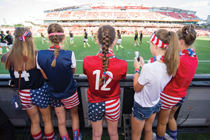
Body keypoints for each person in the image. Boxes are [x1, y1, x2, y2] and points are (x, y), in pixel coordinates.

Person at [1, 27, 55, 140]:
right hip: (39, 90)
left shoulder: (7, 57)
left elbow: (4, 58)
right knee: (47, 120)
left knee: (34, 122)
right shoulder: (38, 55)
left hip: (23, 93)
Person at [131, 29, 180, 140]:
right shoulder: (171, 64)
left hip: (142, 106)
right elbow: (155, 76)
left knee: (136, 135)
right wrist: (144, 66)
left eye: (151, 44)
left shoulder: (150, 67)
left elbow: (137, 88)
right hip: (155, 104)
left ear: (156, 46)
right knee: (148, 130)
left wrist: (137, 69)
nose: (150, 46)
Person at [36, 23, 81, 140]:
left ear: (48, 37)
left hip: (55, 93)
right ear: (63, 37)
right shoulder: (69, 54)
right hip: (70, 92)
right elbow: (72, 71)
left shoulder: (39, 54)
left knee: (61, 122)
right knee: (74, 116)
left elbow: (45, 77)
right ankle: (76, 137)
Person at [83, 25, 127, 140]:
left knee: (96, 134)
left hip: (95, 102)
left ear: (97, 41)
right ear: (115, 41)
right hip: (112, 102)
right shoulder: (122, 64)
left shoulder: (87, 60)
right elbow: (121, 76)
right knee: (113, 133)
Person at [156, 26, 198, 140]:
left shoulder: (179, 60)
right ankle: (173, 138)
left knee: (162, 122)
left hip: (170, 94)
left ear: (181, 41)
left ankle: (159, 138)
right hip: (181, 95)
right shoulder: (193, 57)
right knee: (171, 118)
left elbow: (166, 73)